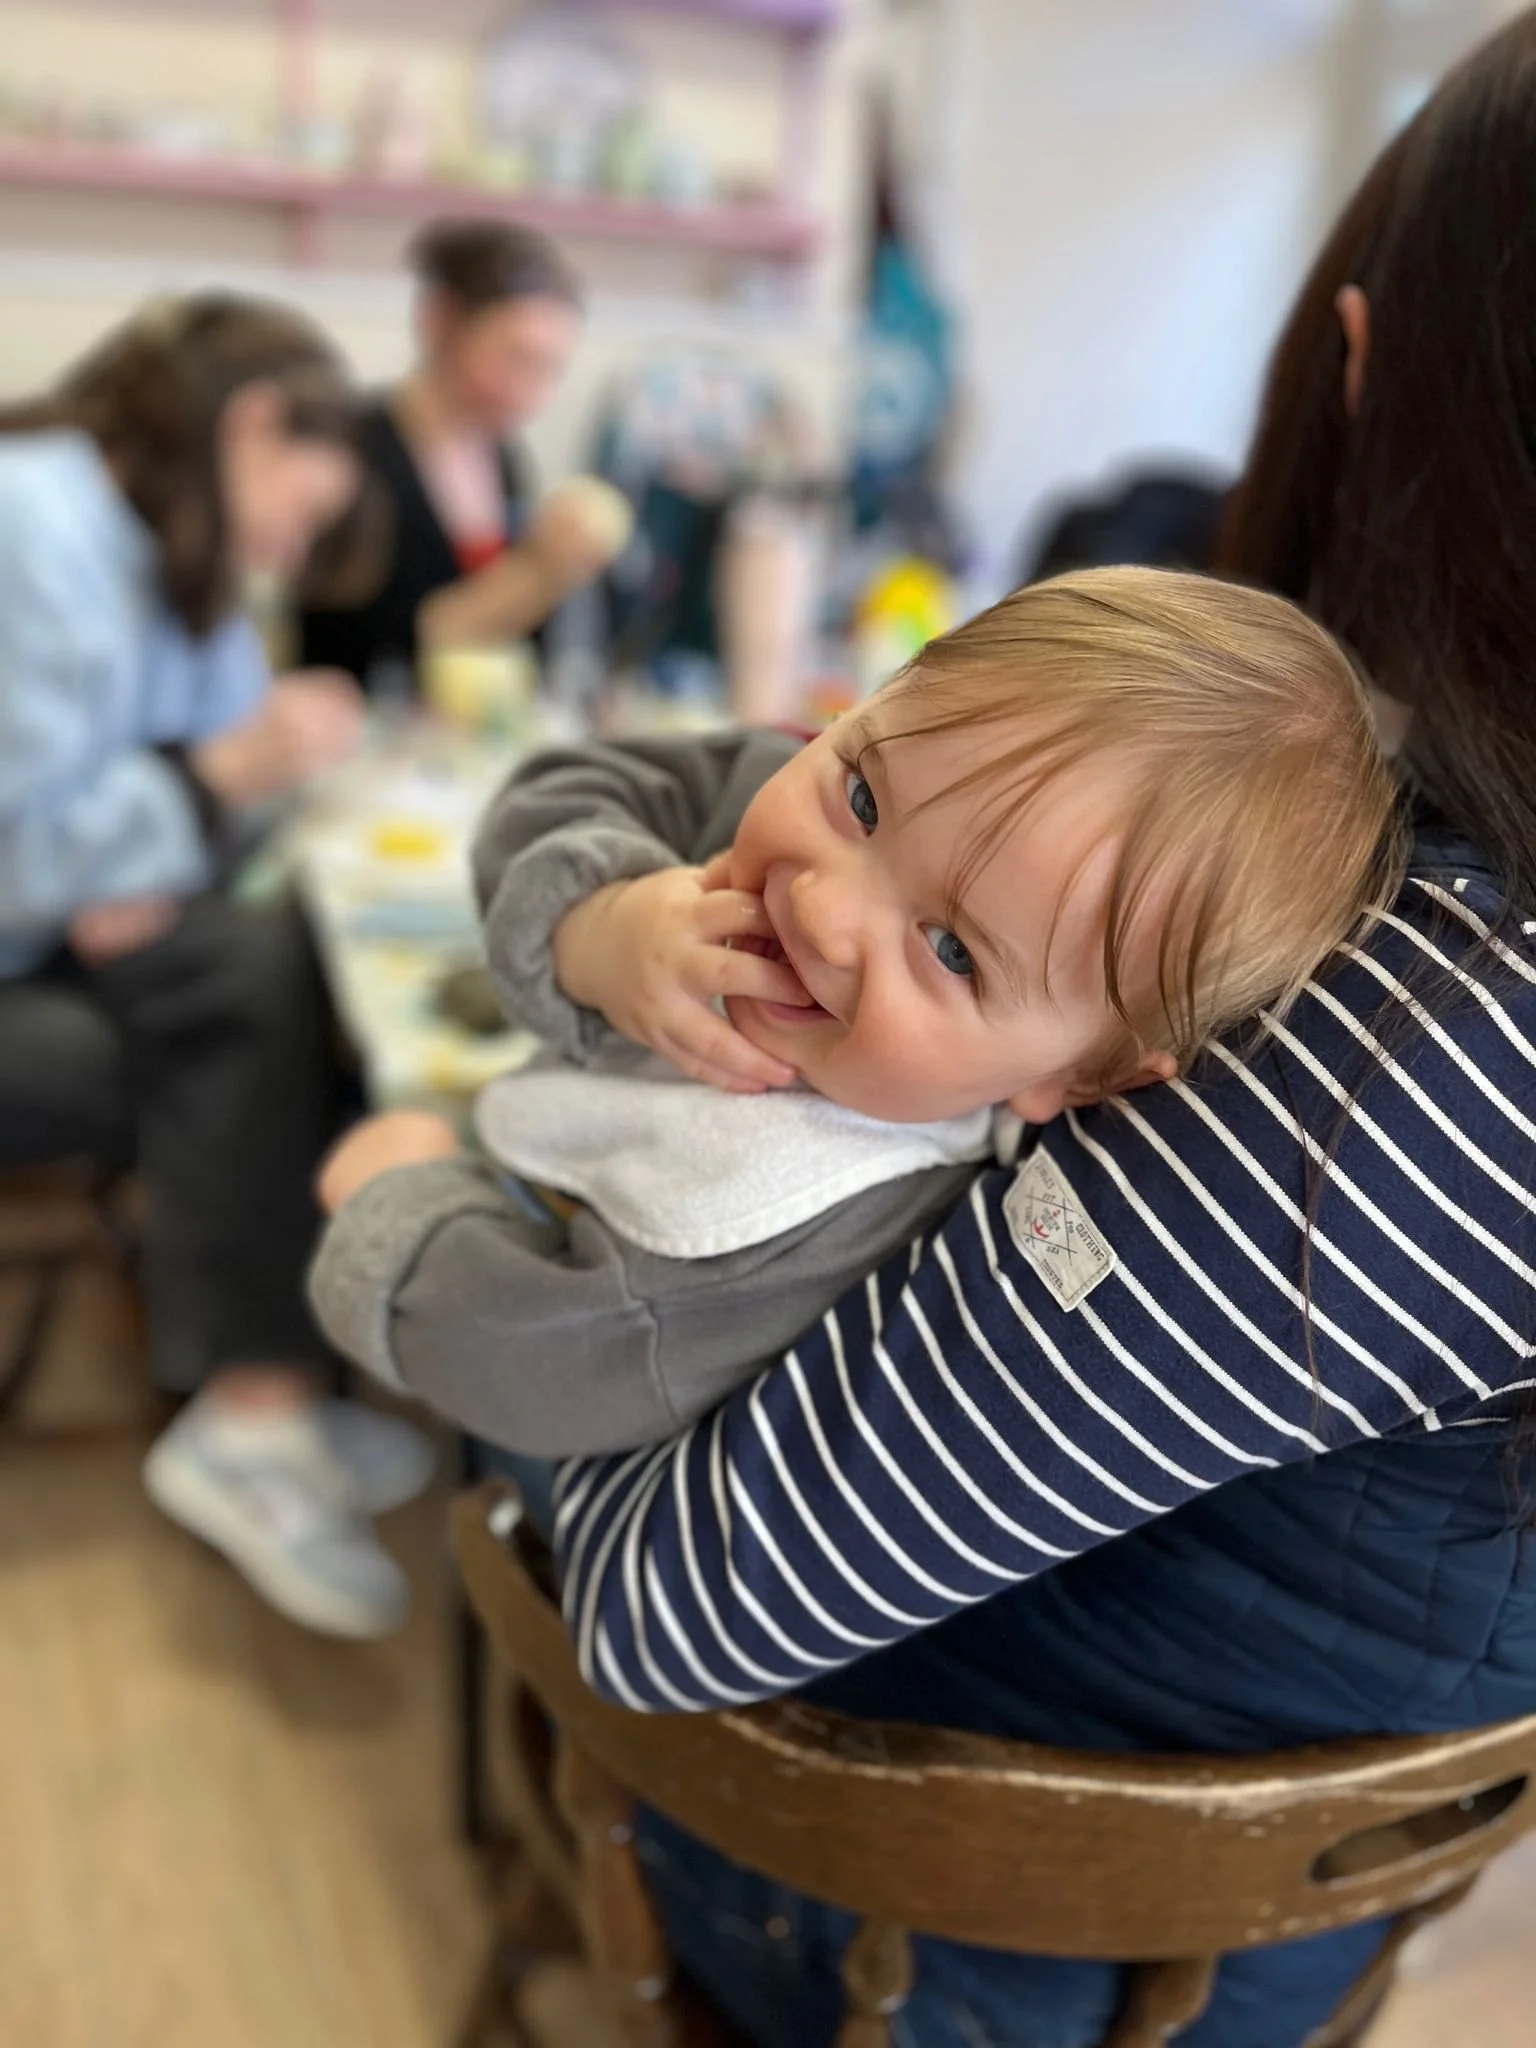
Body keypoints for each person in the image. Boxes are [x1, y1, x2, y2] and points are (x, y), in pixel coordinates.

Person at [308, 568, 1400, 1459]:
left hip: (484, 1237)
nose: (824, 909)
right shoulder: (794, 798)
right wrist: (598, 922)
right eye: (863, 795)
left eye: (951, 949)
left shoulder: (806, 1220)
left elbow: (543, 1360)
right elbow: (559, 789)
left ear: (1082, 1076)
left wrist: (401, 1214)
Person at [0, 295, 431, 1641]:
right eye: (297, 518)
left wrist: (176, 817)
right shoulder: (29, 522)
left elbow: (173, 787)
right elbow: (31, 850)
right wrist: (197, 792)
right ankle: (252, 1410)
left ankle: (266, 1387)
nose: (286, 552)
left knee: (272, 972)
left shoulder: (159, 540)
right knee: (244, 1018)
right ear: (249, 427)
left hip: (47, 935)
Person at [296, 218, 610, 686]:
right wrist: (538, 572)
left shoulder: (505, 458)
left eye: (549, 372)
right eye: (515, 359)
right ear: (441, 322)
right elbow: (373, 640)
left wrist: (554, 573)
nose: (530, 395)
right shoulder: (355, 452)